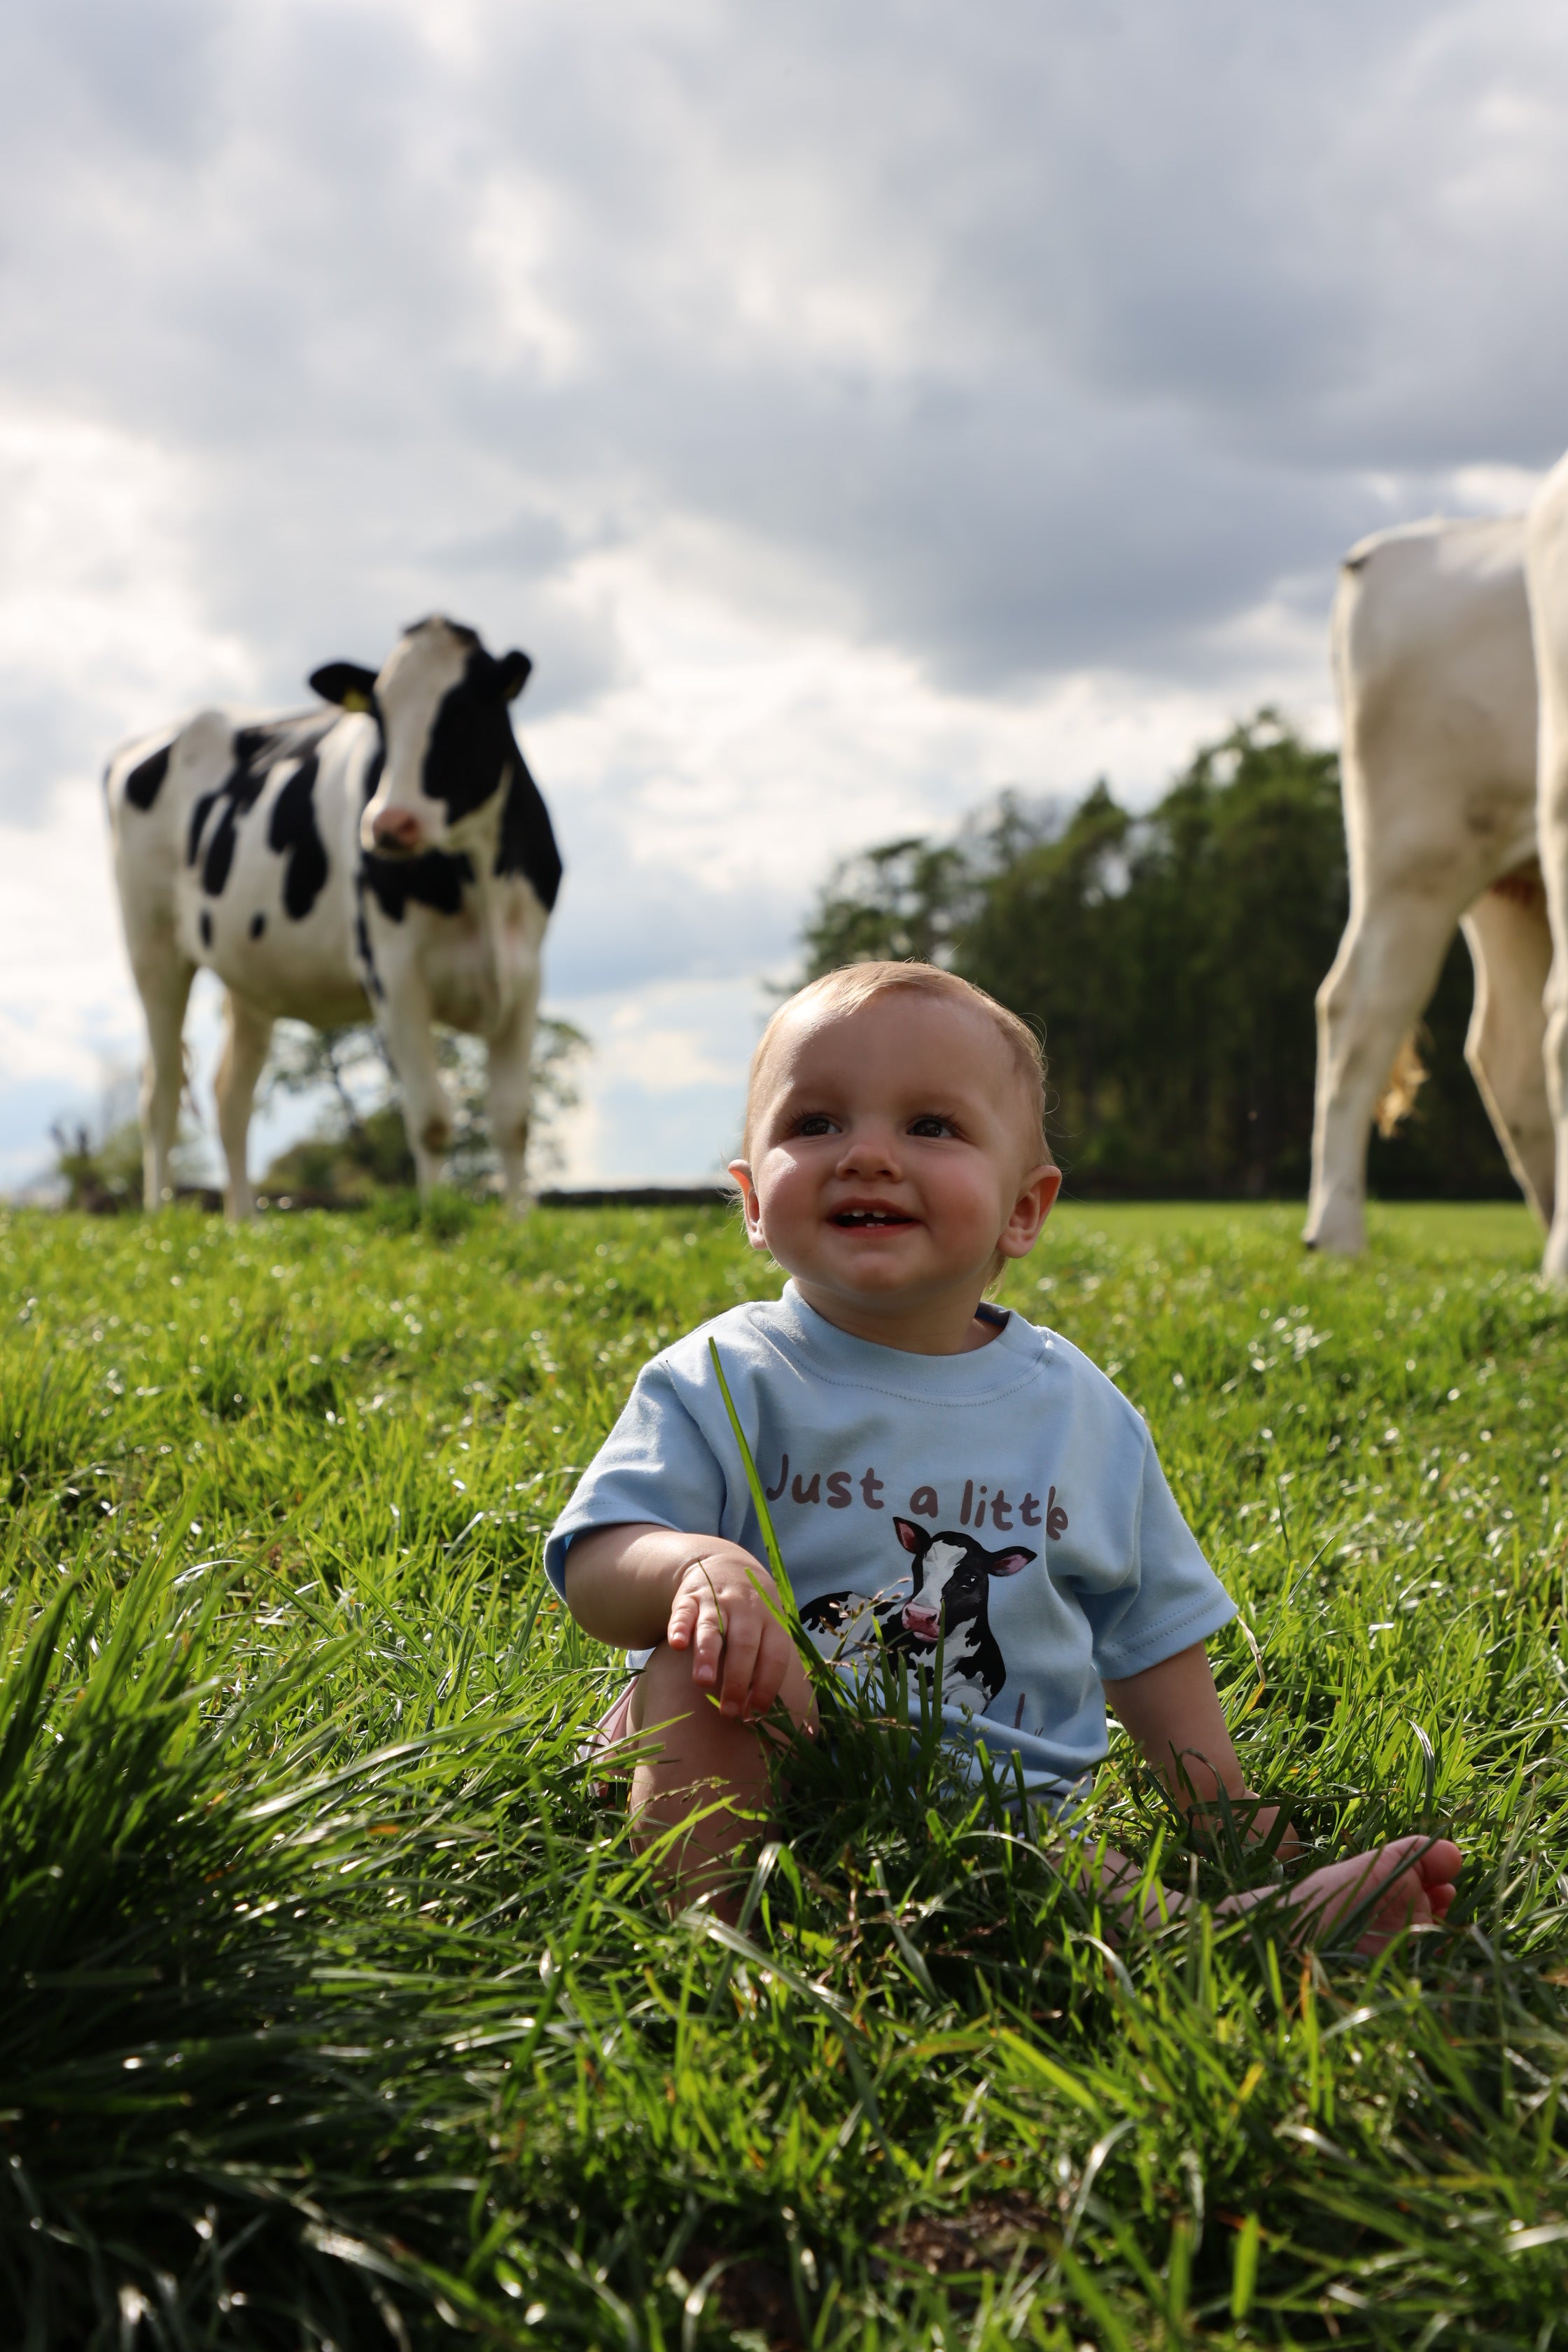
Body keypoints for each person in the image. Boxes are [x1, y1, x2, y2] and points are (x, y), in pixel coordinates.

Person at [547, 962, 1461, 1948]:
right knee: (702, 1668)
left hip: (1004, 1807)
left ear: (1025, 1210)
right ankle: (714, 1946)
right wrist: (695, 1565)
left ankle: (1229, 1937)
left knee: (1076, 1875)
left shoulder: (1078, 1414)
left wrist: (1223, 1809)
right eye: (814, 1124)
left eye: (930, 1127)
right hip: (761, 1749)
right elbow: (596, 1567)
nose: (866, 1155)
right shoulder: (725, 1375)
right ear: (752, 1201)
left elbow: (1151, 1632)